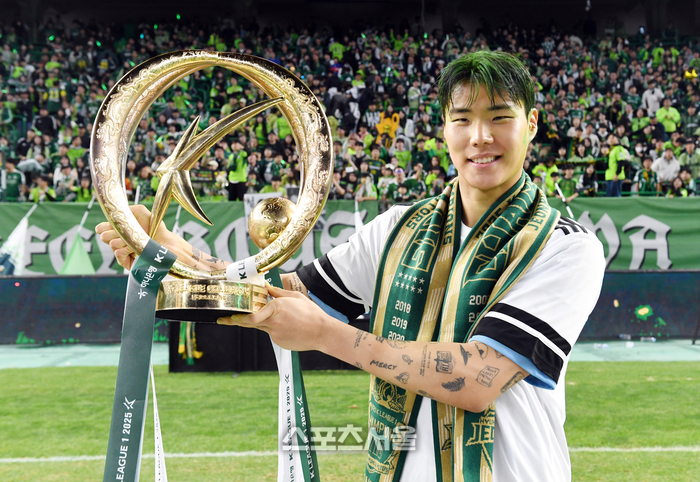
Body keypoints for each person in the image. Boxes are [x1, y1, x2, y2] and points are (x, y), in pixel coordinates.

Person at [97, 51, 605, 482]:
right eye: (462, 119)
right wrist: (173, 255)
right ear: (444, 129)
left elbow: (477, 379)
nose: (480, 137)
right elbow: (275, 296)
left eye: (499, 117)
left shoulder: (565, 248)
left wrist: (325, 334)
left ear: (531, 124)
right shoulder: (399, 228)